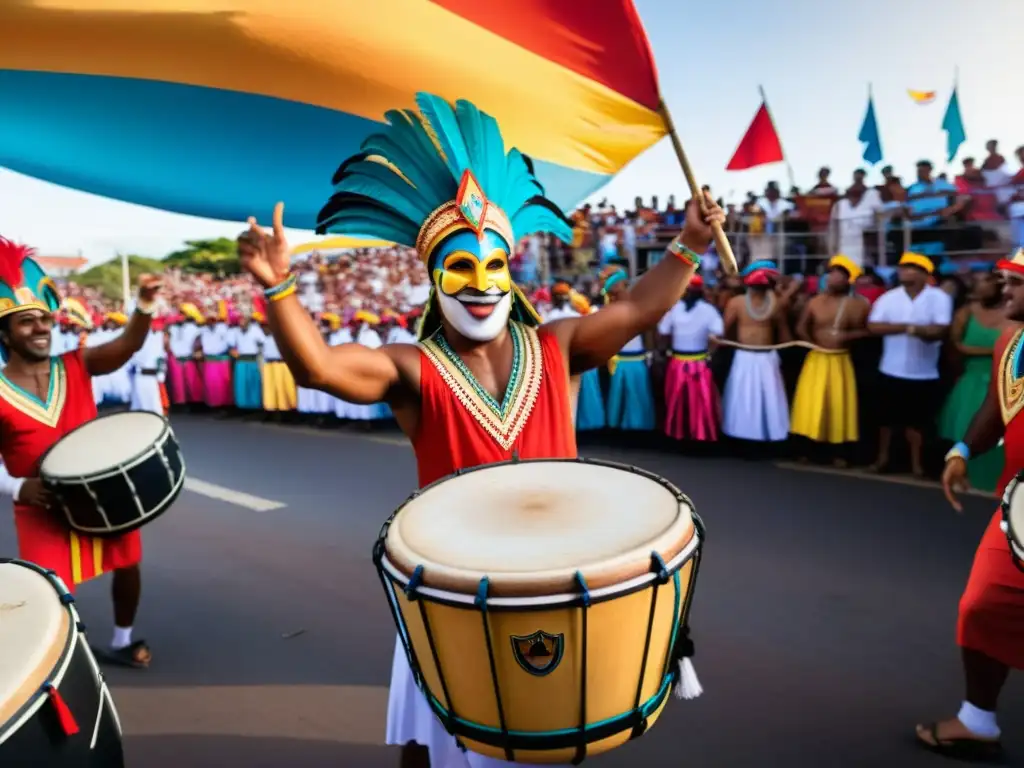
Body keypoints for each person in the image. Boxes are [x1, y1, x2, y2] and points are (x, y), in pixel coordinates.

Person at [237, 92, 720, 768]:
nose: (481, 282)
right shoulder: (412, 366)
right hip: (454, 590)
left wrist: (691, 243)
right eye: (460, 267)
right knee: (428, 739)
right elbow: (316, 369)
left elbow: (639, 307)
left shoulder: (560, 345)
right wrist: (278, 288)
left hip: (557, 577)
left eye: (494, 264)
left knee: (551, 737)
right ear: (434, 280)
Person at [0, 236, 161, 668]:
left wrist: (143, 306)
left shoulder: (77, 364)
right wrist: (17, 487)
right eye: (26, 322)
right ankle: (61, 664)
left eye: (45, 319)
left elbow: (127, 345)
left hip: (102, 497)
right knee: (47, 590)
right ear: (4, 333)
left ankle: (123, 639)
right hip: (42, 506)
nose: (41, 328)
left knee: (129, 564)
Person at [920, 249, 1024, 762]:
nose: (1005, 290)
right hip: (1018, 507)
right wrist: (963, 450)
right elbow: (997, 407)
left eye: (1015, 283)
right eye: (1004, 279)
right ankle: (977, 721)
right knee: (982, 606)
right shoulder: (1010, 338)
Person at [866, 252, 953, 476]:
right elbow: (874, 326)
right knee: (886, 421)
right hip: (890, 369)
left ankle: (917, 467)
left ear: (925, 274)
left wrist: (905, 328)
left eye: (912, 268)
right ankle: (882, 460)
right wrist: (911, 328)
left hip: (923, 372)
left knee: (917, 424)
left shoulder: (939, 298)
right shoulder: (889, 297)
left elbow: (939, 331)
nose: (905, 271)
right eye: (903, 267)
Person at [790, 255, 870, 465]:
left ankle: (839, 453)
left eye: (839, 275)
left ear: (848, 281)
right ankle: (806, 449)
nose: (833, 278)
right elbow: (800, 327)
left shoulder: (858, 305)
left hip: (840, 361)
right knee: (811, 405)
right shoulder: (814, 302)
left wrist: (847, 337)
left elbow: (868, 331)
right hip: (817, 359)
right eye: (831, 273)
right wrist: (813, 343)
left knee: (838, 405)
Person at [937, 268, 1007, 492]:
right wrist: (992, 352)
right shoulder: (966, 312)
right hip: (971, 383)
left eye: (985, 280)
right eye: (976, 282)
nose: (979, 286)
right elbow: (955, 347)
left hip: (1007, 383)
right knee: (967, 431)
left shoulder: (1015, 311)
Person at [721, 260, 794, 444]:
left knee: (768, 397)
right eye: (755, 287)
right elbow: (723, 329)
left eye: (762, 287)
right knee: (743, 398)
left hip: (767, 358)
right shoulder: (736, 303)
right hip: (744, 357)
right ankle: (740, 438)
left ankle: (768, 437)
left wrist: (790, 352)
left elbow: (784, 332)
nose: (758, 291)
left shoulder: (776, 303)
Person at [657, 274, 724, 442]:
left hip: (696, 362)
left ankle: (698, 436)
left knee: (698, 402)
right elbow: (663, 332)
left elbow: (717, 335)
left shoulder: (707, 310)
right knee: (679, 401)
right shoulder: (676, 308)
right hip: (682, 362)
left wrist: (710, 355)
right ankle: (682, 436)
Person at [601, 267, 655, 432]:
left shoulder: (638, 303)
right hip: (618, 358)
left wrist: (650, 352)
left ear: (620, 284)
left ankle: (639, 428)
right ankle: (619, 427)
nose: (610, 289)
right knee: (619, 396)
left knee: (638, 395)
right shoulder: (609, 306)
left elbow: (648, 329)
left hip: (637, 356)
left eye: (612, 285)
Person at [129, 315, 168, 415]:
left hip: (153, 377)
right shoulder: (139, 337)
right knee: (139, 405)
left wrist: (161, 371)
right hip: (140, 375)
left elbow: (161, 357)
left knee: (155, 406)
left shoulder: (159, 337)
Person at [230, 312, 266, 411]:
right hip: (241, 360)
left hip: (253, 360)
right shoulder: (236, 331)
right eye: (240, 320)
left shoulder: (255, 330)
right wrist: (233, 351)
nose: (242, 322)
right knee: (241, 384)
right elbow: (231, 345)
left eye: (244, 320)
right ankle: (243, 406)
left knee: (253, 383)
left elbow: (263, 342)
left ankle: (255, 406)